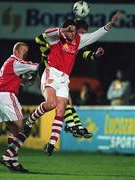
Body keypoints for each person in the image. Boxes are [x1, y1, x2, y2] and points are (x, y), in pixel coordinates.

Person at [23, 11, 122, 156]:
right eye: (70, 30)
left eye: (74, 30)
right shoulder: (56, 38)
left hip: (64, 79)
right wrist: (63, 30)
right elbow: (45, 33)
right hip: (51, 73)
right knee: (51, 104)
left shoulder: (78, 40)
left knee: (62, 109)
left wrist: (111, 24)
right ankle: (30, 121)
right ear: (64, 30)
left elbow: (96, 34)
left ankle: (51, 143)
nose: (72, 33)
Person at [34, 19, 104, 138]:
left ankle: (75, 126)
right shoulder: (61, 39)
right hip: (47, 69)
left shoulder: (75, 42)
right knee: (64, 100)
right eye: (81, 33)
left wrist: (94, 55)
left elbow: (84, 53)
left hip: (58, 73)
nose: (83, 36)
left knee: (67, 100)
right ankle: (73, 125)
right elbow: (41, 41)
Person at [0, 42, 38, 172]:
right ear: (17, 51)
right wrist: (47, 64)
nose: (25, 54)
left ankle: (13, 162)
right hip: (7, 96)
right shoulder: (15, 61)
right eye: (24, 51)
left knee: (14, 132)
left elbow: (24, 82)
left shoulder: (9, 62)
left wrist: (29, 78)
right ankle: (8, 157)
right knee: (25, 128)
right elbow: (35, 66)